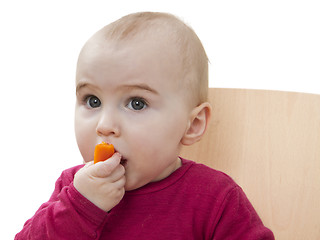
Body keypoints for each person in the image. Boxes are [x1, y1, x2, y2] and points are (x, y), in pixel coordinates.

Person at [15, 12, 274, 239]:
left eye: (136, 103)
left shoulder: (216, 198)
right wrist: (81, 206)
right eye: (92, 100)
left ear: (192, 124)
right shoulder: (73, 189)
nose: (104, 126)